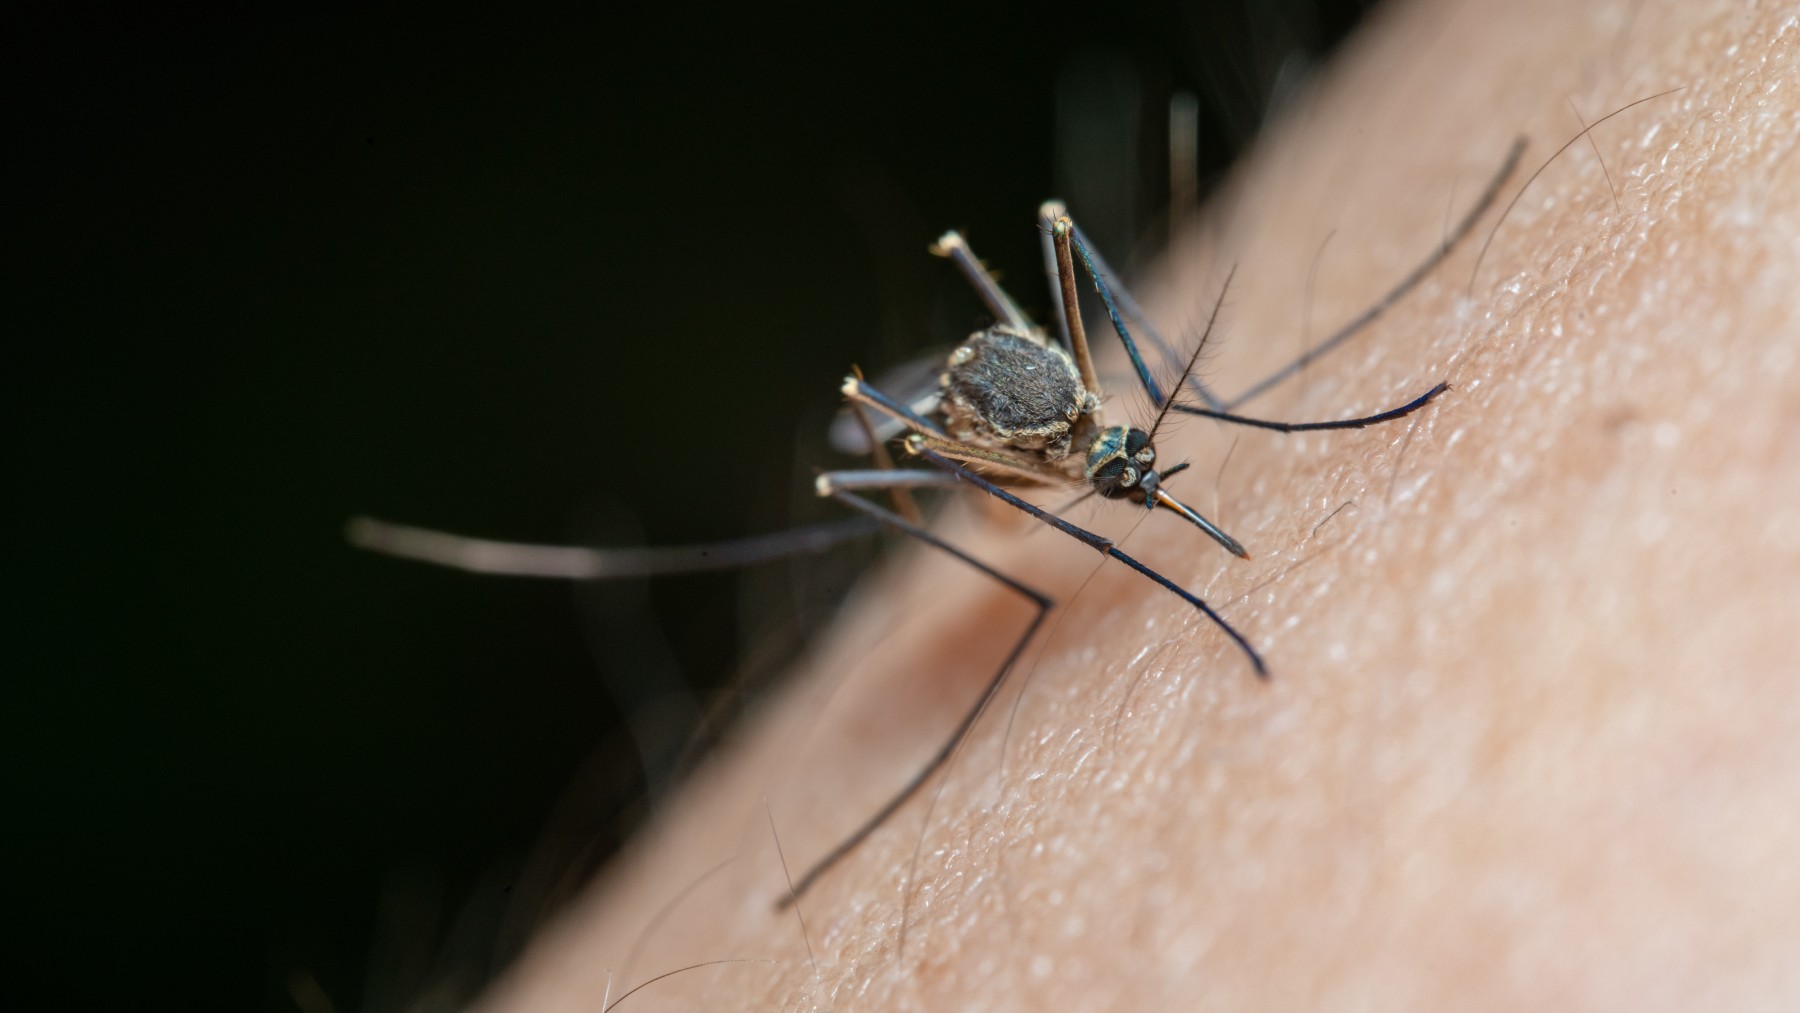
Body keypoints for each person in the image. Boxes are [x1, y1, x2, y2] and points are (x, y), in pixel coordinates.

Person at [479, 0, 1800, 1007]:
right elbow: (931, 449)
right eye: (1123, 470)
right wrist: (1037, 521)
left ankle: (1243, 401)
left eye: (1128, 460)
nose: (1135, 479)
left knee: (1061, 245)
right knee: (890, 457)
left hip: (1039, 405)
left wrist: (1219, 409)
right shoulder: (1031, 462)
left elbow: (1121, 392)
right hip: (978, 453)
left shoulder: (1102, 413)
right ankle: (1035, 580)